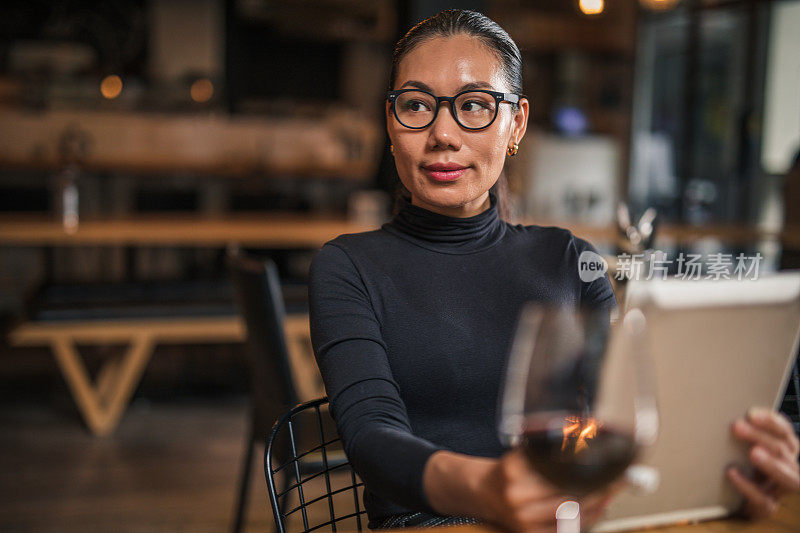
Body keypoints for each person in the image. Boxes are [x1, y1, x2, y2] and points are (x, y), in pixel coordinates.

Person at [309, 9, 800, 531]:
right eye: (416, 106)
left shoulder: (569, 259)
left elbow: (615, 421)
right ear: (391, 123)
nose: (443, 134)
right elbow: (371, 438)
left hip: (570, 515)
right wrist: (488, 491)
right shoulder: (347, 266)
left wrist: (717, 479)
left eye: (474, 105)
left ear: (515, 123)